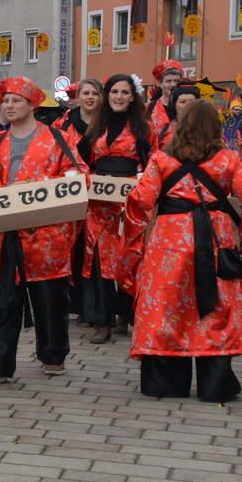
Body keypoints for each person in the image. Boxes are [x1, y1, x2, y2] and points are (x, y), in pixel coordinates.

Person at [123, 101, 242, 402]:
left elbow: (141, 200)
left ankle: (165, 384)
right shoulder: (228, 158)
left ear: (181, 125)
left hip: (169, 240)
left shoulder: (162, 158)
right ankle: (215, 384)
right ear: (216, 126)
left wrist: (133, 244)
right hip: (216, 237)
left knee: (166, 305)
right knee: (215, 305)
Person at [0, 77, 87, 387]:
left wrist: (37, 189)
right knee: (1, 301)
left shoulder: (59, 140)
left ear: (33, 104)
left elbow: (78, 178)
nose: (9, 106)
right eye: (5, 101)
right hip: (3, 234)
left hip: (47, 236)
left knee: (50, 300)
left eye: (16, 101)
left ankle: (53, 356)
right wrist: (5, 190)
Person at [77, 74, 153, 344]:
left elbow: (154, 165)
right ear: (107, 96)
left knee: (128, 257)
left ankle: (125, 314)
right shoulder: (97, 125)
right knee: (98, 259)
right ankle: (103, 321)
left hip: (129, 202)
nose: (118, 97)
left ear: (133, 96)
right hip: (98, 202)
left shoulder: (144, 128)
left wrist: (145, 161)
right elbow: (84, 161)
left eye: (124, 92)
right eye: (113, 92)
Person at [147, 60, 184, 137]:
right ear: (160, 84)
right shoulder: (148, 108)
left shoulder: (189, 107)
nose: (173, 84)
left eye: (176, 81)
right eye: (168, 81)